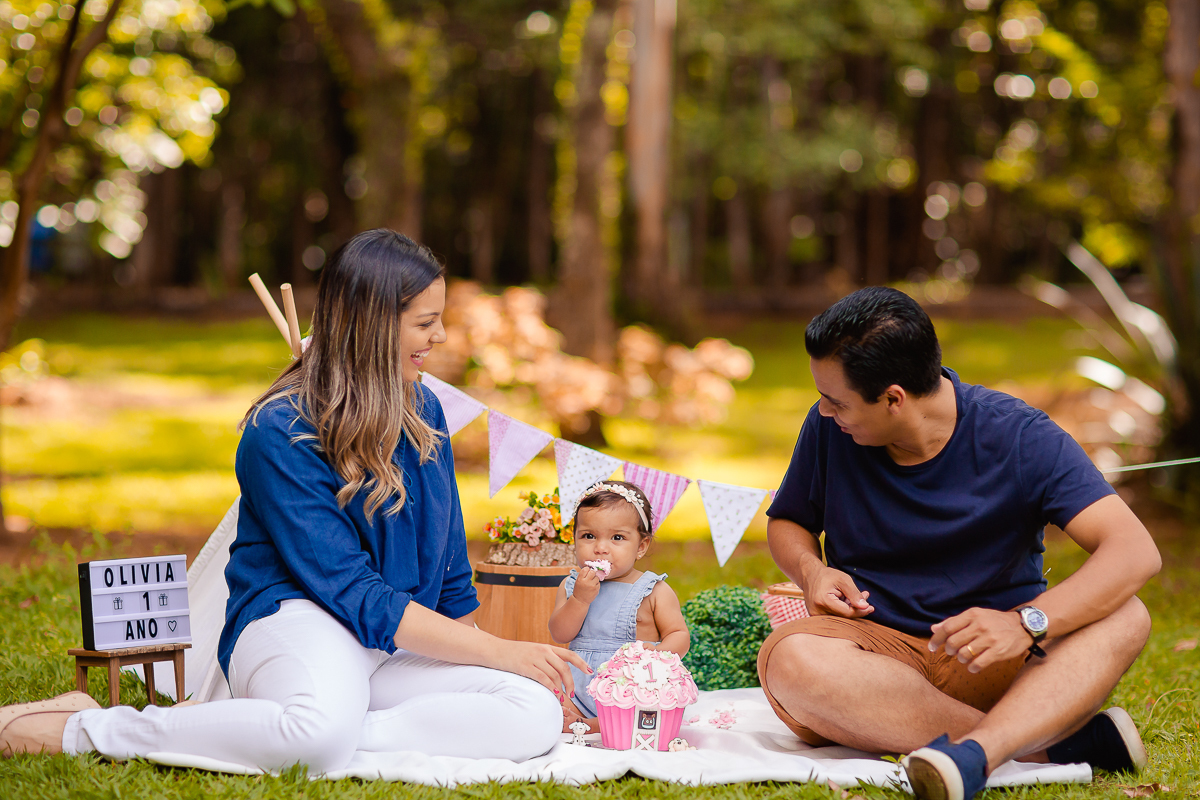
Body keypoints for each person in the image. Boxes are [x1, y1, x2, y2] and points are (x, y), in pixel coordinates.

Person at [0, 230, 591, 772]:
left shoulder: (426, 412)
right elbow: (352, 591)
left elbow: (451, 571)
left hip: (393, 640)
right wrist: (496, 650)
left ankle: (328, 732)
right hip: (299, 618)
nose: (439, 338)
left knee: (531, 709)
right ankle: (87, 727)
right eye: (425, 323)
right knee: (313, 734)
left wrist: (490, 662)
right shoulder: (279, 430)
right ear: (371, 324)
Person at [756, 287, 1161, 800]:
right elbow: (787, 521)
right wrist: (813, 572)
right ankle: (1031, 744)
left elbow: (1134, 551)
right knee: (789, 660)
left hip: (996, 654)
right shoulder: (828, 429)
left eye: (837, 401)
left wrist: (1025, 622)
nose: (825, 410)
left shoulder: (1020, 436)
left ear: (894, 398)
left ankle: (979, 748)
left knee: (1127, 614)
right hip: (874, 658)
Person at [548, 480, 690, 732]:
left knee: (650, 703)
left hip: (634, 683)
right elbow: (560, 634)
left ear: (641, 546)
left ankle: (595, 725)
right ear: (574, 540)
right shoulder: (571, 586)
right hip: (579, 683)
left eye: (617, 538)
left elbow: (678, 634)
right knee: (542, 692)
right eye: (588, 536)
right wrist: (579, 600)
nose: (600, 548)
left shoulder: (654, 590)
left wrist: (657, 658)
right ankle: (577, 716)